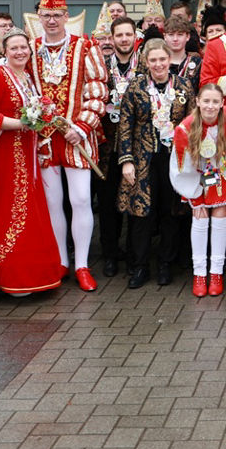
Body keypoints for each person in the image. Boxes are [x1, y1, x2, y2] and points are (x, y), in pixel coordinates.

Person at [29, 0, 108, 292]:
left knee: (79, 200)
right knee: (52, 203)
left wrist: (82, 125)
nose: (51, 21)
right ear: (39, 16)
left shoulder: (84, 45)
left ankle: (83, 264)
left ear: (66, 16)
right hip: (44, 139)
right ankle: (61, 260)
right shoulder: (30, 49)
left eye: (57, 15)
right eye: (46, 15)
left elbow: (99, 88)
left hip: (78, 137)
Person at [0, 28, 63, 296]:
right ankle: (7, 273)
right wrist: (22, 123)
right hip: (5, 153)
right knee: (10, 206)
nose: (20, 52)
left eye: (24, 47)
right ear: (5, 51)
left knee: (30, 206)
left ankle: (33, 273)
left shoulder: (27, 78)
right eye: (14, 48)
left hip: (26, 151)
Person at [118, 39, 192, 289]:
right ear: (146, 62)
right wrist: (126, 160)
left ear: (169, 59)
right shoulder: (136, 86)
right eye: (153, 60)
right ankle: (139, 267)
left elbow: (192, 121)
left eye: (163, 59)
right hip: (142, 158)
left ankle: (165, 265)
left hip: (173, 158)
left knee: (170, 211)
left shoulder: (182, 86)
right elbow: (125, 124)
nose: (159, 65)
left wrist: (190, 159)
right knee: (142, 214)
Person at [170, 83, 226, 297]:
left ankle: (216, 272)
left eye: (215, 102)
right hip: (196, 178)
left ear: (222, 103)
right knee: (199, 218)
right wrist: (195, 194)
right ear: (198, 102)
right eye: (206, 101)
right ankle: (199, 274)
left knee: (220, 216)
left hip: (222, 174)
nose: (210, 106)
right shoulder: (185, 128)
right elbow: (181, 166)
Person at [97, 15, 140, 277]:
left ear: (136, 37)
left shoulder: (145, 67)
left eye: (128, 34)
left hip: (136, 146)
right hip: (106, 147)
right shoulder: (100, 68)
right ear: (111, 39)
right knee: (107, 203)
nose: (124, 39)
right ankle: (110, 254)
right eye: (119, 35)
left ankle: (136, 255)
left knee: (135, 202)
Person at [161, 15, 203, 92]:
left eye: (180, 34)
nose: (175, 39)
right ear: (165, 36)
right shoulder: (158, 63)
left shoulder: (198, 63)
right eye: (171, 35)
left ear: (187, 37)